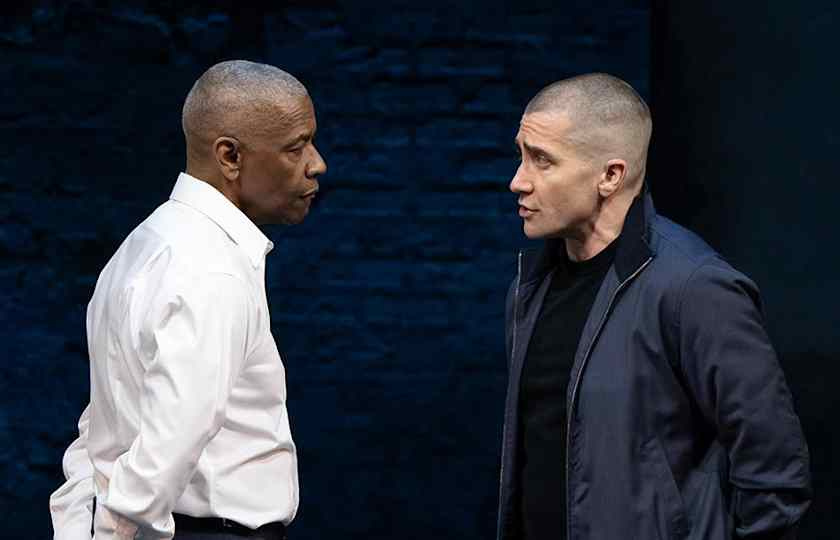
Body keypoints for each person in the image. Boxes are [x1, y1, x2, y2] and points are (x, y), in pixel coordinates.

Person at [498, 73, 811, 540]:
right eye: (521, 155)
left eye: (542, 160)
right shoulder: (529, 287)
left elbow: (775, 473)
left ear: (611, 175)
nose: (517, 181)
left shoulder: (695, 288)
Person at [49, 59, 327, 540]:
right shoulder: (212, 270)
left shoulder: (145, 243)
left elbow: (100, 432)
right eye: (295, 147)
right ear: (230, 157)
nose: (316, 163)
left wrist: (79, 530)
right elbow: (166, 448)